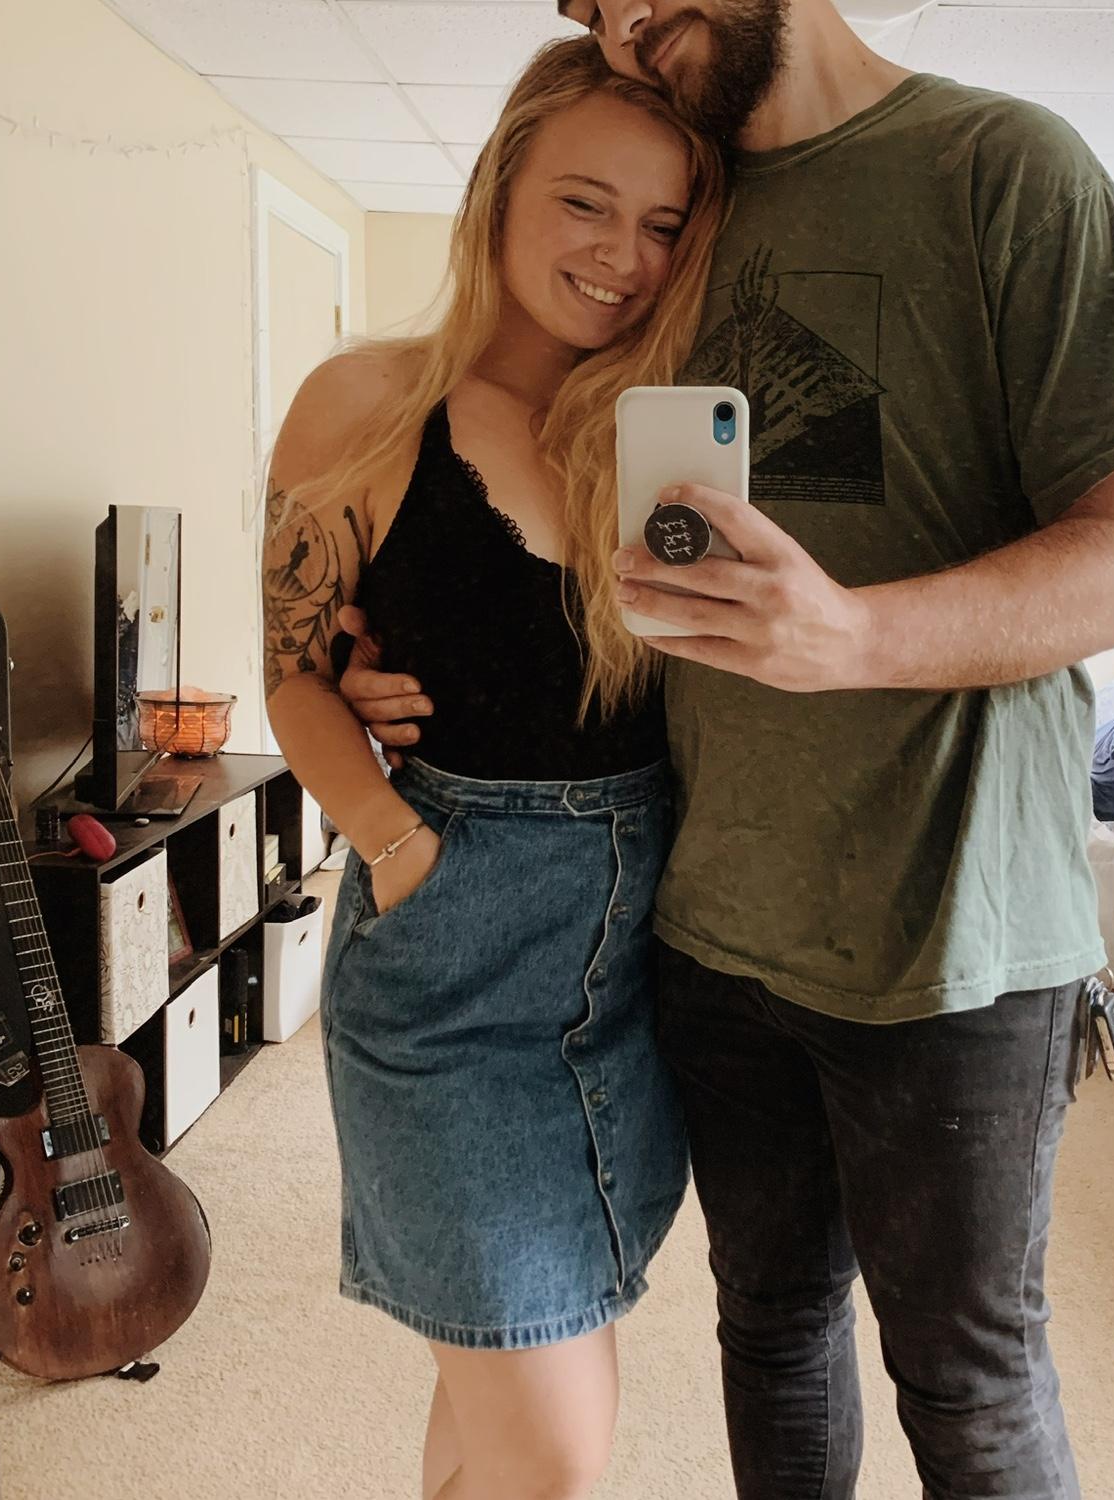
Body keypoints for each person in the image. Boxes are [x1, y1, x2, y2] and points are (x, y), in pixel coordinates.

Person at [341, 2, 1114, 1497]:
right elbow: (531, 498)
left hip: (954, 936)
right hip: (704, 931)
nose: (625, 22)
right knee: (772, 1330)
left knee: (972, 1384)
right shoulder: (675, 203)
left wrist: (856, 636)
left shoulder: (1005, 165)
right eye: (589, 7)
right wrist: (396, 654)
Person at [261, 37, 726, 1500]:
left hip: (636, 970)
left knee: (495, 1386)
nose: (622, 257)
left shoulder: (663, 439)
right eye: (586, 203)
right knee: (556, 1447)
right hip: (452, 965)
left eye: (662, 225)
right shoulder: (366, 403)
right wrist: (396, 844)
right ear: (500, 188)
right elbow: (291, 672)